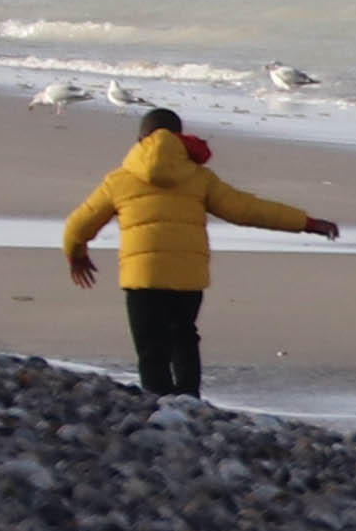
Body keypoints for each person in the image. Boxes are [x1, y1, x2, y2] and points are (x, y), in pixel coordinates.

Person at [60, 108, 338, 398]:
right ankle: (189, 400)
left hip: (143, 277)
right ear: (181, 138)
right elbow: (246, 209)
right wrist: (306, 223)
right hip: (188, 277)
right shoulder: (199, 178)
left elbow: (77, 225)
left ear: (140, 139)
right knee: (183, 337)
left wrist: (76, 254)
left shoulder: (119, 180)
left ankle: (158, 404)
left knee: (150, 346)